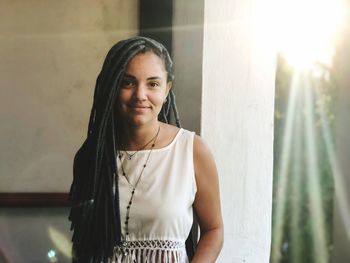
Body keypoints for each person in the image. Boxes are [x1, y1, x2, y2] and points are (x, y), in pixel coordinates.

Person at [69, 36, 223, 263]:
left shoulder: (191, 150)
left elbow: (214, 229)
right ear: (112, 87)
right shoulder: (92, 156)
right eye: (128, 82)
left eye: (153, 84)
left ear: (167, 89)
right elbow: (83, 244)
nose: (140, 95)